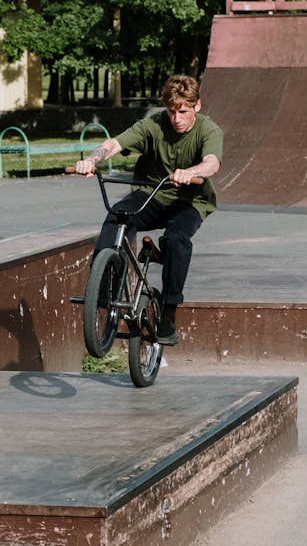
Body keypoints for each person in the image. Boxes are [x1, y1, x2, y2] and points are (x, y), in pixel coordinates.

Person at [74, 74, 223, 346]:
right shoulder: (153, 125)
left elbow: (212, 163)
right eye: (172, 112)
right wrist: (92, 159)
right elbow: (114, 144)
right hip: (150, 194)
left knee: (177, 240)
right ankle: (104, 283)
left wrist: (191, 172)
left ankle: (168, 312)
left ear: (197, 106)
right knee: (118, 215)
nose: (177, 118)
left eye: (183, 112)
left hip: (189, 202)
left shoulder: (208, 130)